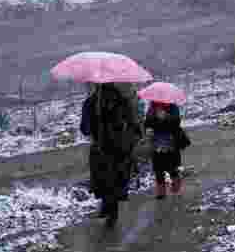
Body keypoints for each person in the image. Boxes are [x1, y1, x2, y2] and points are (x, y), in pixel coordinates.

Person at [80, 82, 142, 226]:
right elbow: (134, 124)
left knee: (103, 178)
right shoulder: (123, 101)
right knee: (117, 178)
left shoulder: (90, 103)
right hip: (121, 148)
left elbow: (85, 129)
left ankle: (107, 206)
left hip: (100, 149)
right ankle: (111, 209)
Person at [143, 100, 190, 199]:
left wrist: (166, 117)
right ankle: (161, 192)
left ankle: (176, 189)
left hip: (171, 143)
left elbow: (176, 122)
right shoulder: (152, 107)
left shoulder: (172, 107)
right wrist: (149, 127)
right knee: (158, 170)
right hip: (156, 143)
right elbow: (147, 122)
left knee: (172, 168)